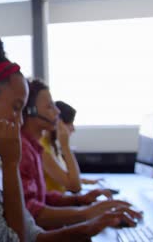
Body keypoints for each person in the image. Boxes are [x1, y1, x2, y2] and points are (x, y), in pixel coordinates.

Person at [0, 33, 140, 242]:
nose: (20, 121)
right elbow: (13, 240)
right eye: (16, 108)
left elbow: (33, 235)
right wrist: (11, 164)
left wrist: (90, 226)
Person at [20, 79, 142, 231]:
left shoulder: (33, 147)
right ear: (30, 111)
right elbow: (31, 211)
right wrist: (87, 213)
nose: (57, 112)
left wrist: (80, 200)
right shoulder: (24, 150)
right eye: (50, 106)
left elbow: (42, 197)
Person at [40, 101, 101, 193]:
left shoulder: (51, 145)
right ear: (59, 123)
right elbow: (75, 187)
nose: (73, 129)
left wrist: (85, 181)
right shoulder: (43, 150)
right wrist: (66, 147)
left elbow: (62, 177)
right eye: (70, 123)